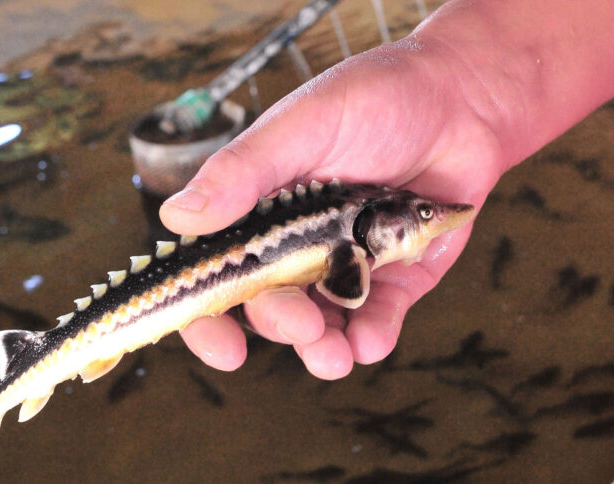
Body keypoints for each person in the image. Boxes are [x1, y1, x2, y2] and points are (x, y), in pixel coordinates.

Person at [158, 0, 614, 380]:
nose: (439, 216)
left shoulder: (350, 239)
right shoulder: (347, 243)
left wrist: (469, 92)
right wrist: (463, 90)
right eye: (425, 215)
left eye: (426, 212)